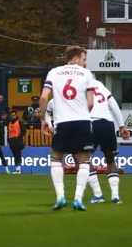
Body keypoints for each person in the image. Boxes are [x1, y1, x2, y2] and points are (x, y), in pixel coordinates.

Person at [39, 45, 95, 211]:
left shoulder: (54, 72)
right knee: (84, 161)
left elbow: (43, 97)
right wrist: (82, 113)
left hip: (62, 123)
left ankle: (60, 197)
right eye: (84, 59)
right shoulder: (86, 73)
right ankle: (78, 199)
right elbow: (90, 103)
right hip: (83, 121)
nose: (85, 63)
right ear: (76, 58)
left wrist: (43, 119)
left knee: (56, 158)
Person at [87, 79, 130, 204]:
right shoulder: (99, 84)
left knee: (84, 159)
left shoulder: (79, 84)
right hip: (108, 124)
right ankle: (115, 197)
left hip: (92, 123)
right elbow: (113, 104)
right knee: (110, 159)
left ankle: (98, 195)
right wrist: (121, 126)